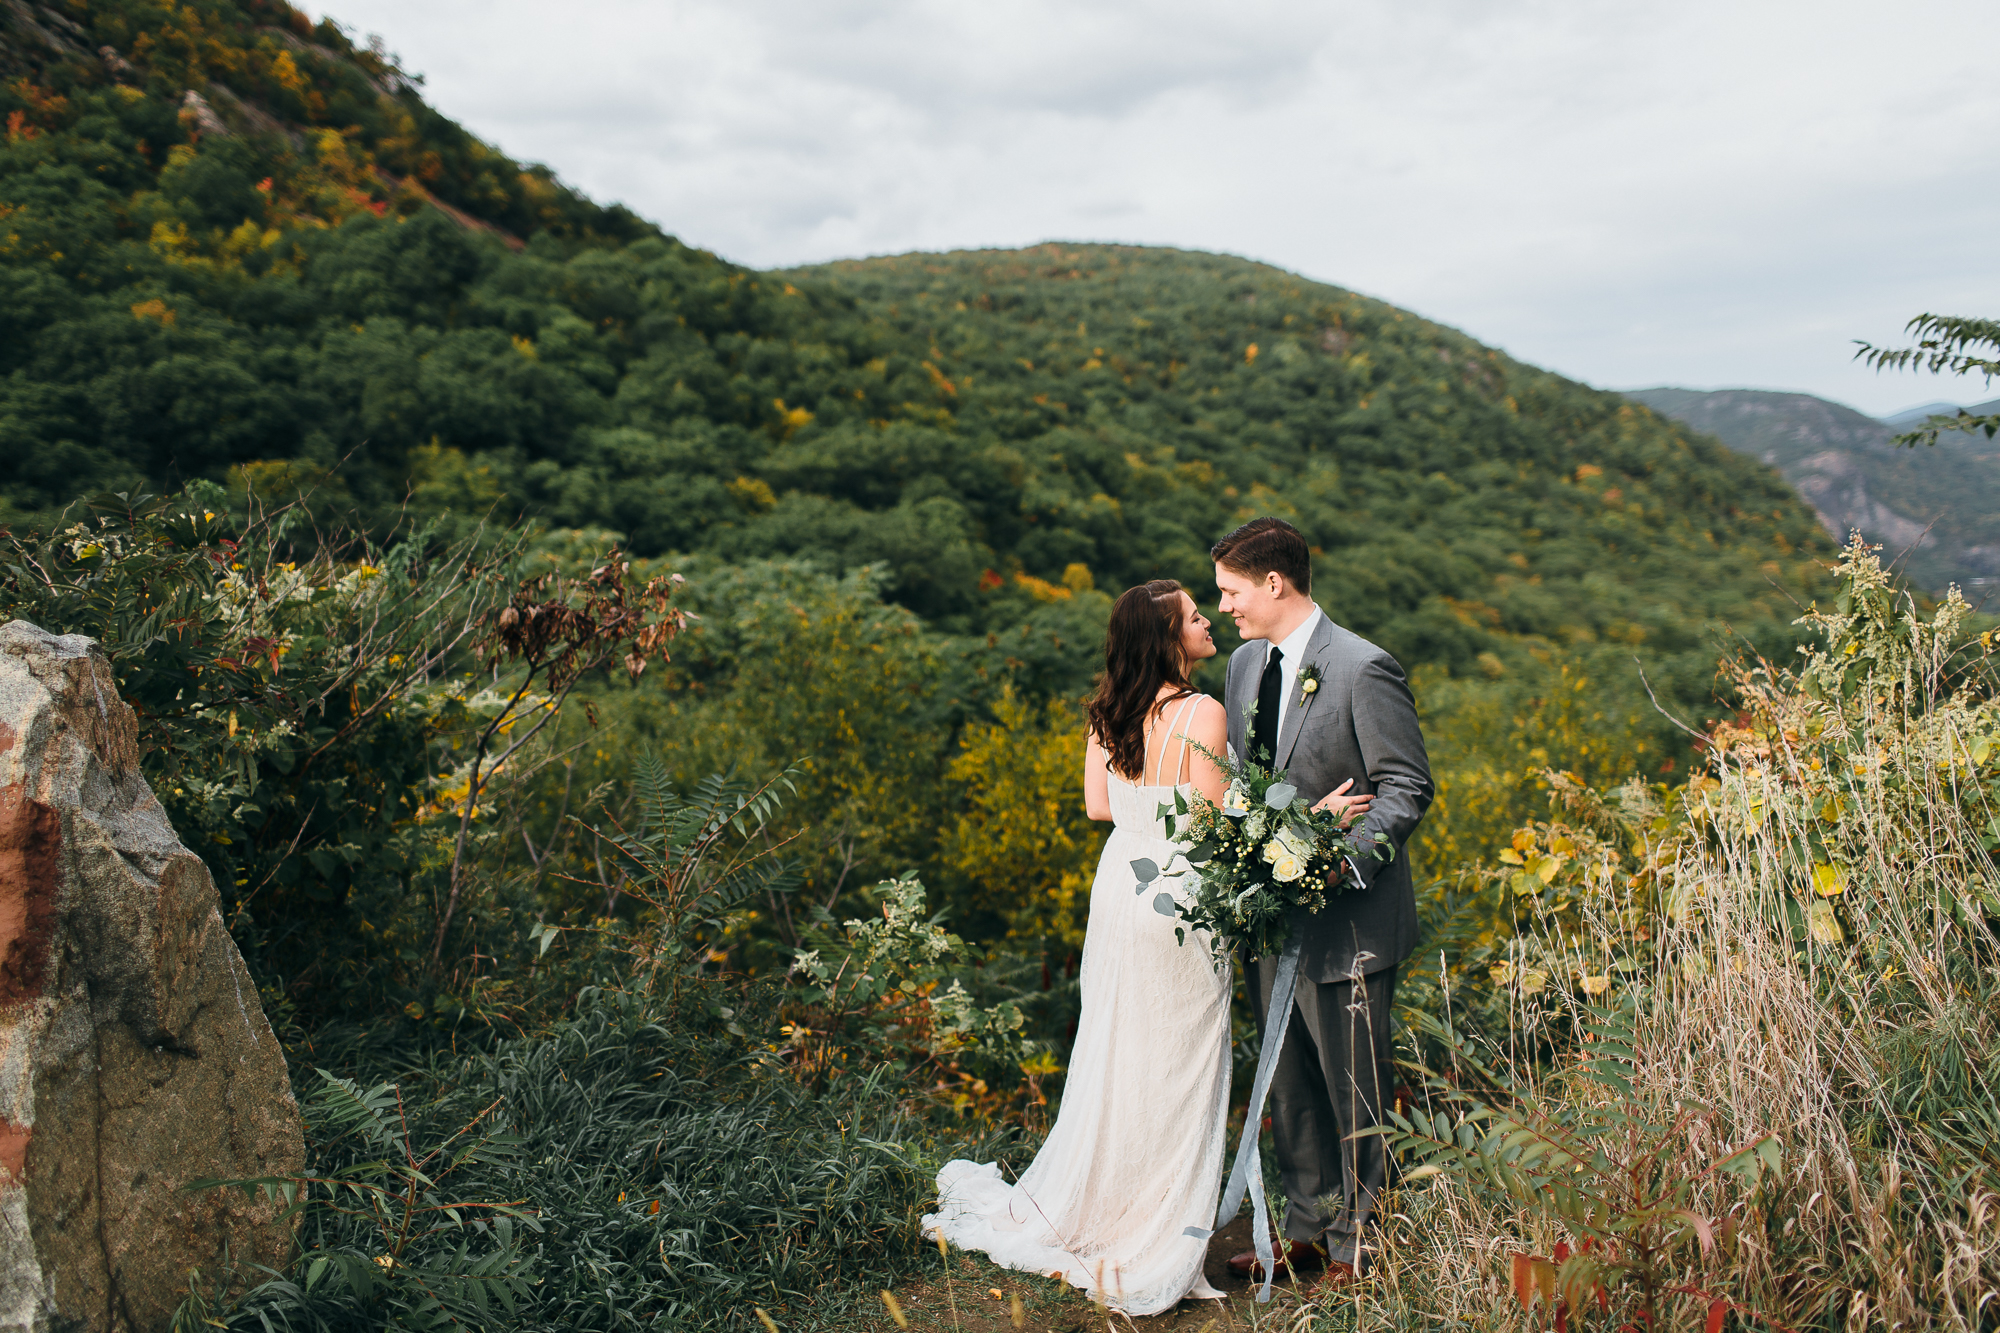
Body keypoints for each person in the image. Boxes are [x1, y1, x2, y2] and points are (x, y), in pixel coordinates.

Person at [922, 579, 1238, 1315]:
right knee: (1183, 1061)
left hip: (1122, 888)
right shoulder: (1203, 711)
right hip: (1181, 893)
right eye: (1194, 615)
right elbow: (1219, 818)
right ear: (1167, 638)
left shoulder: (1107, 713)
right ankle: (1155, 1226)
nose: (1205, 620)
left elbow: (1100, 805)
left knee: (1119, 1048)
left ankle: (1105, 1204)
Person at [1211, 516, 1434, 1289]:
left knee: (1356, 1090)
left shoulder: (1363, 667)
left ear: (1273, 583)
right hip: (1272, 919)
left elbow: (1406, 784)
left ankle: (1362, 1244)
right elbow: (1243, 777)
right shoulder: (1242, 665)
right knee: (1290, 1084)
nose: (1225, 609)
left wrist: (1338, 862)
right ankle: (1302, 1233)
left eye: (1232, 592)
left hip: (1351, 921)